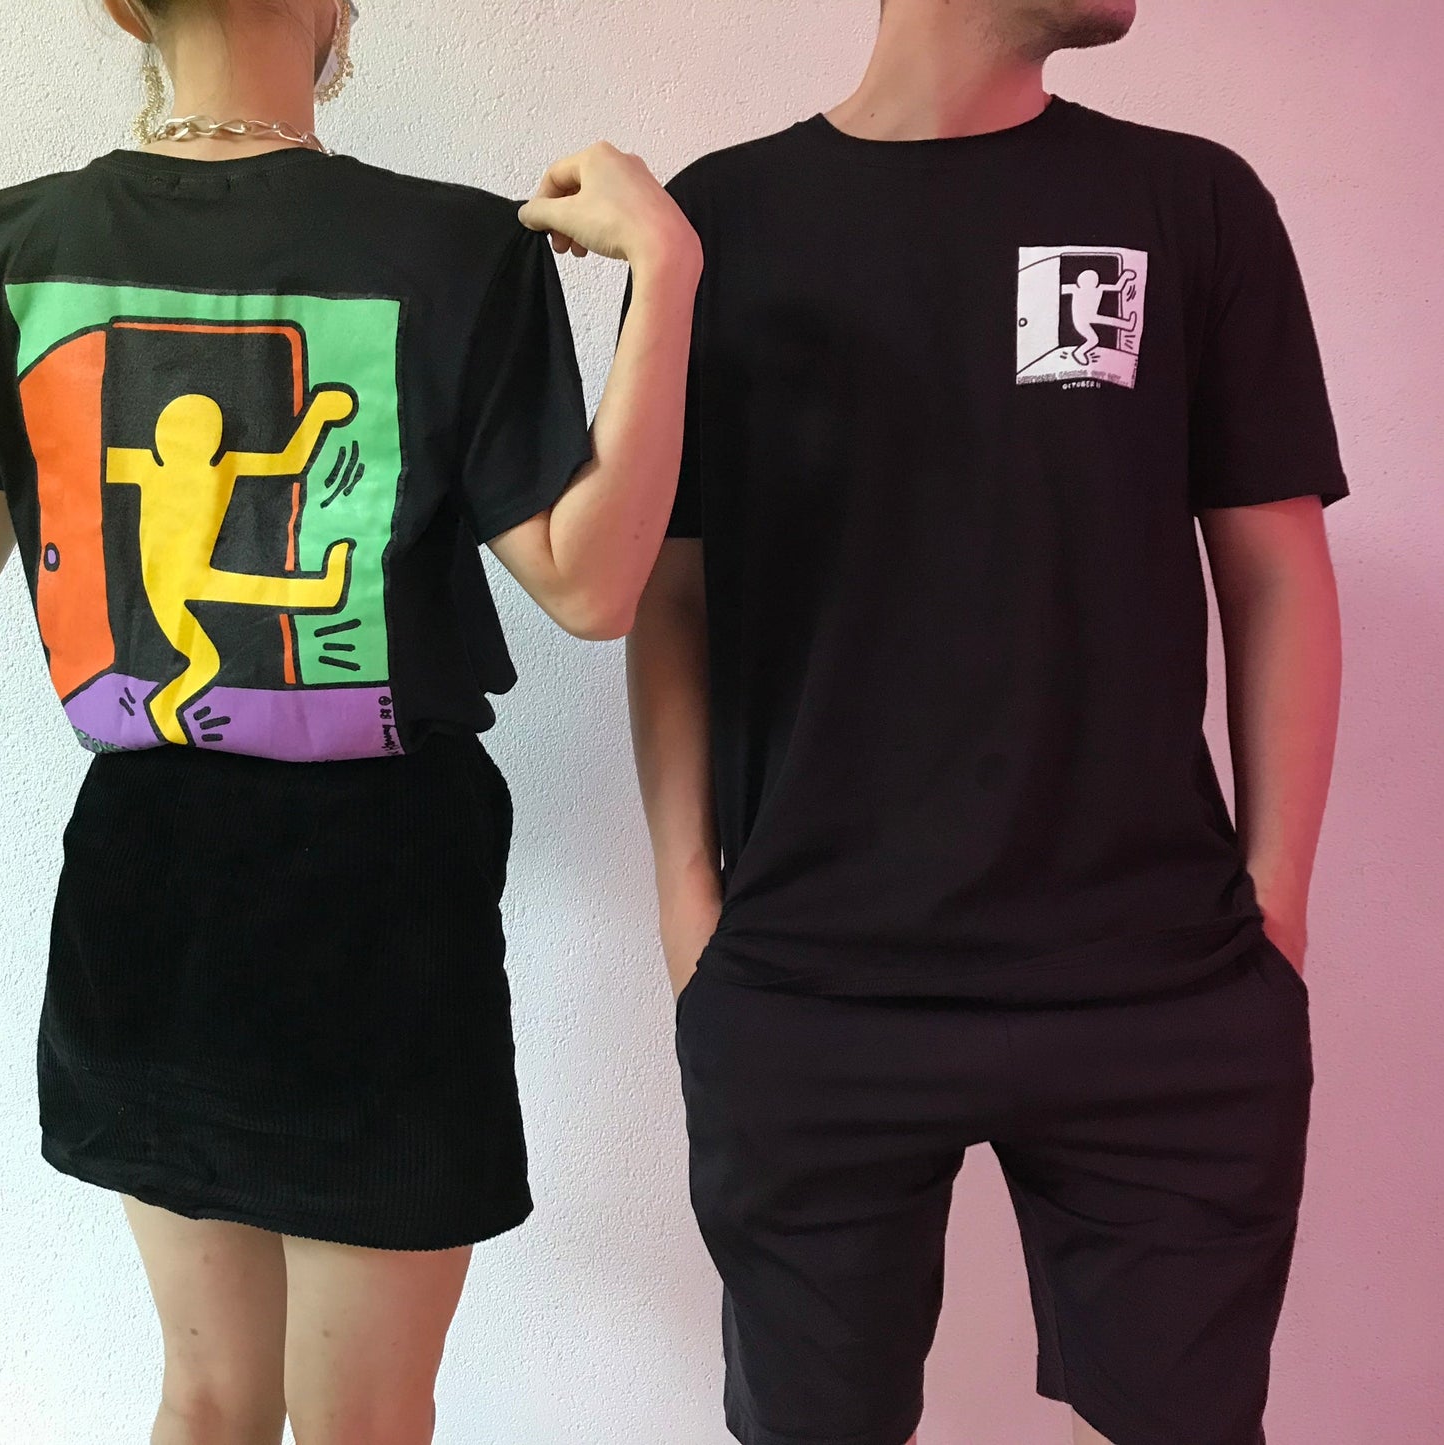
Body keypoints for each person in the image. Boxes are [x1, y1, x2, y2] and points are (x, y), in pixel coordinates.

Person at [626, 1, 1346, 1443]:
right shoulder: (720, 222)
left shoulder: (1188, 200)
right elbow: (673, 588)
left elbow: (1272, 570)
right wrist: (689, 906)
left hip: (1159, 987)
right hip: (811, 986)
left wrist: (1274, 905)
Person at [0, 1, 700, 1441]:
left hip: (153, 877)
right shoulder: (451, 246)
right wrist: (668, 272)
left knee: (206, 1400)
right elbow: (592, 583)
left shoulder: (21, 248)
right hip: (372, 891)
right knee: (359, 1419)